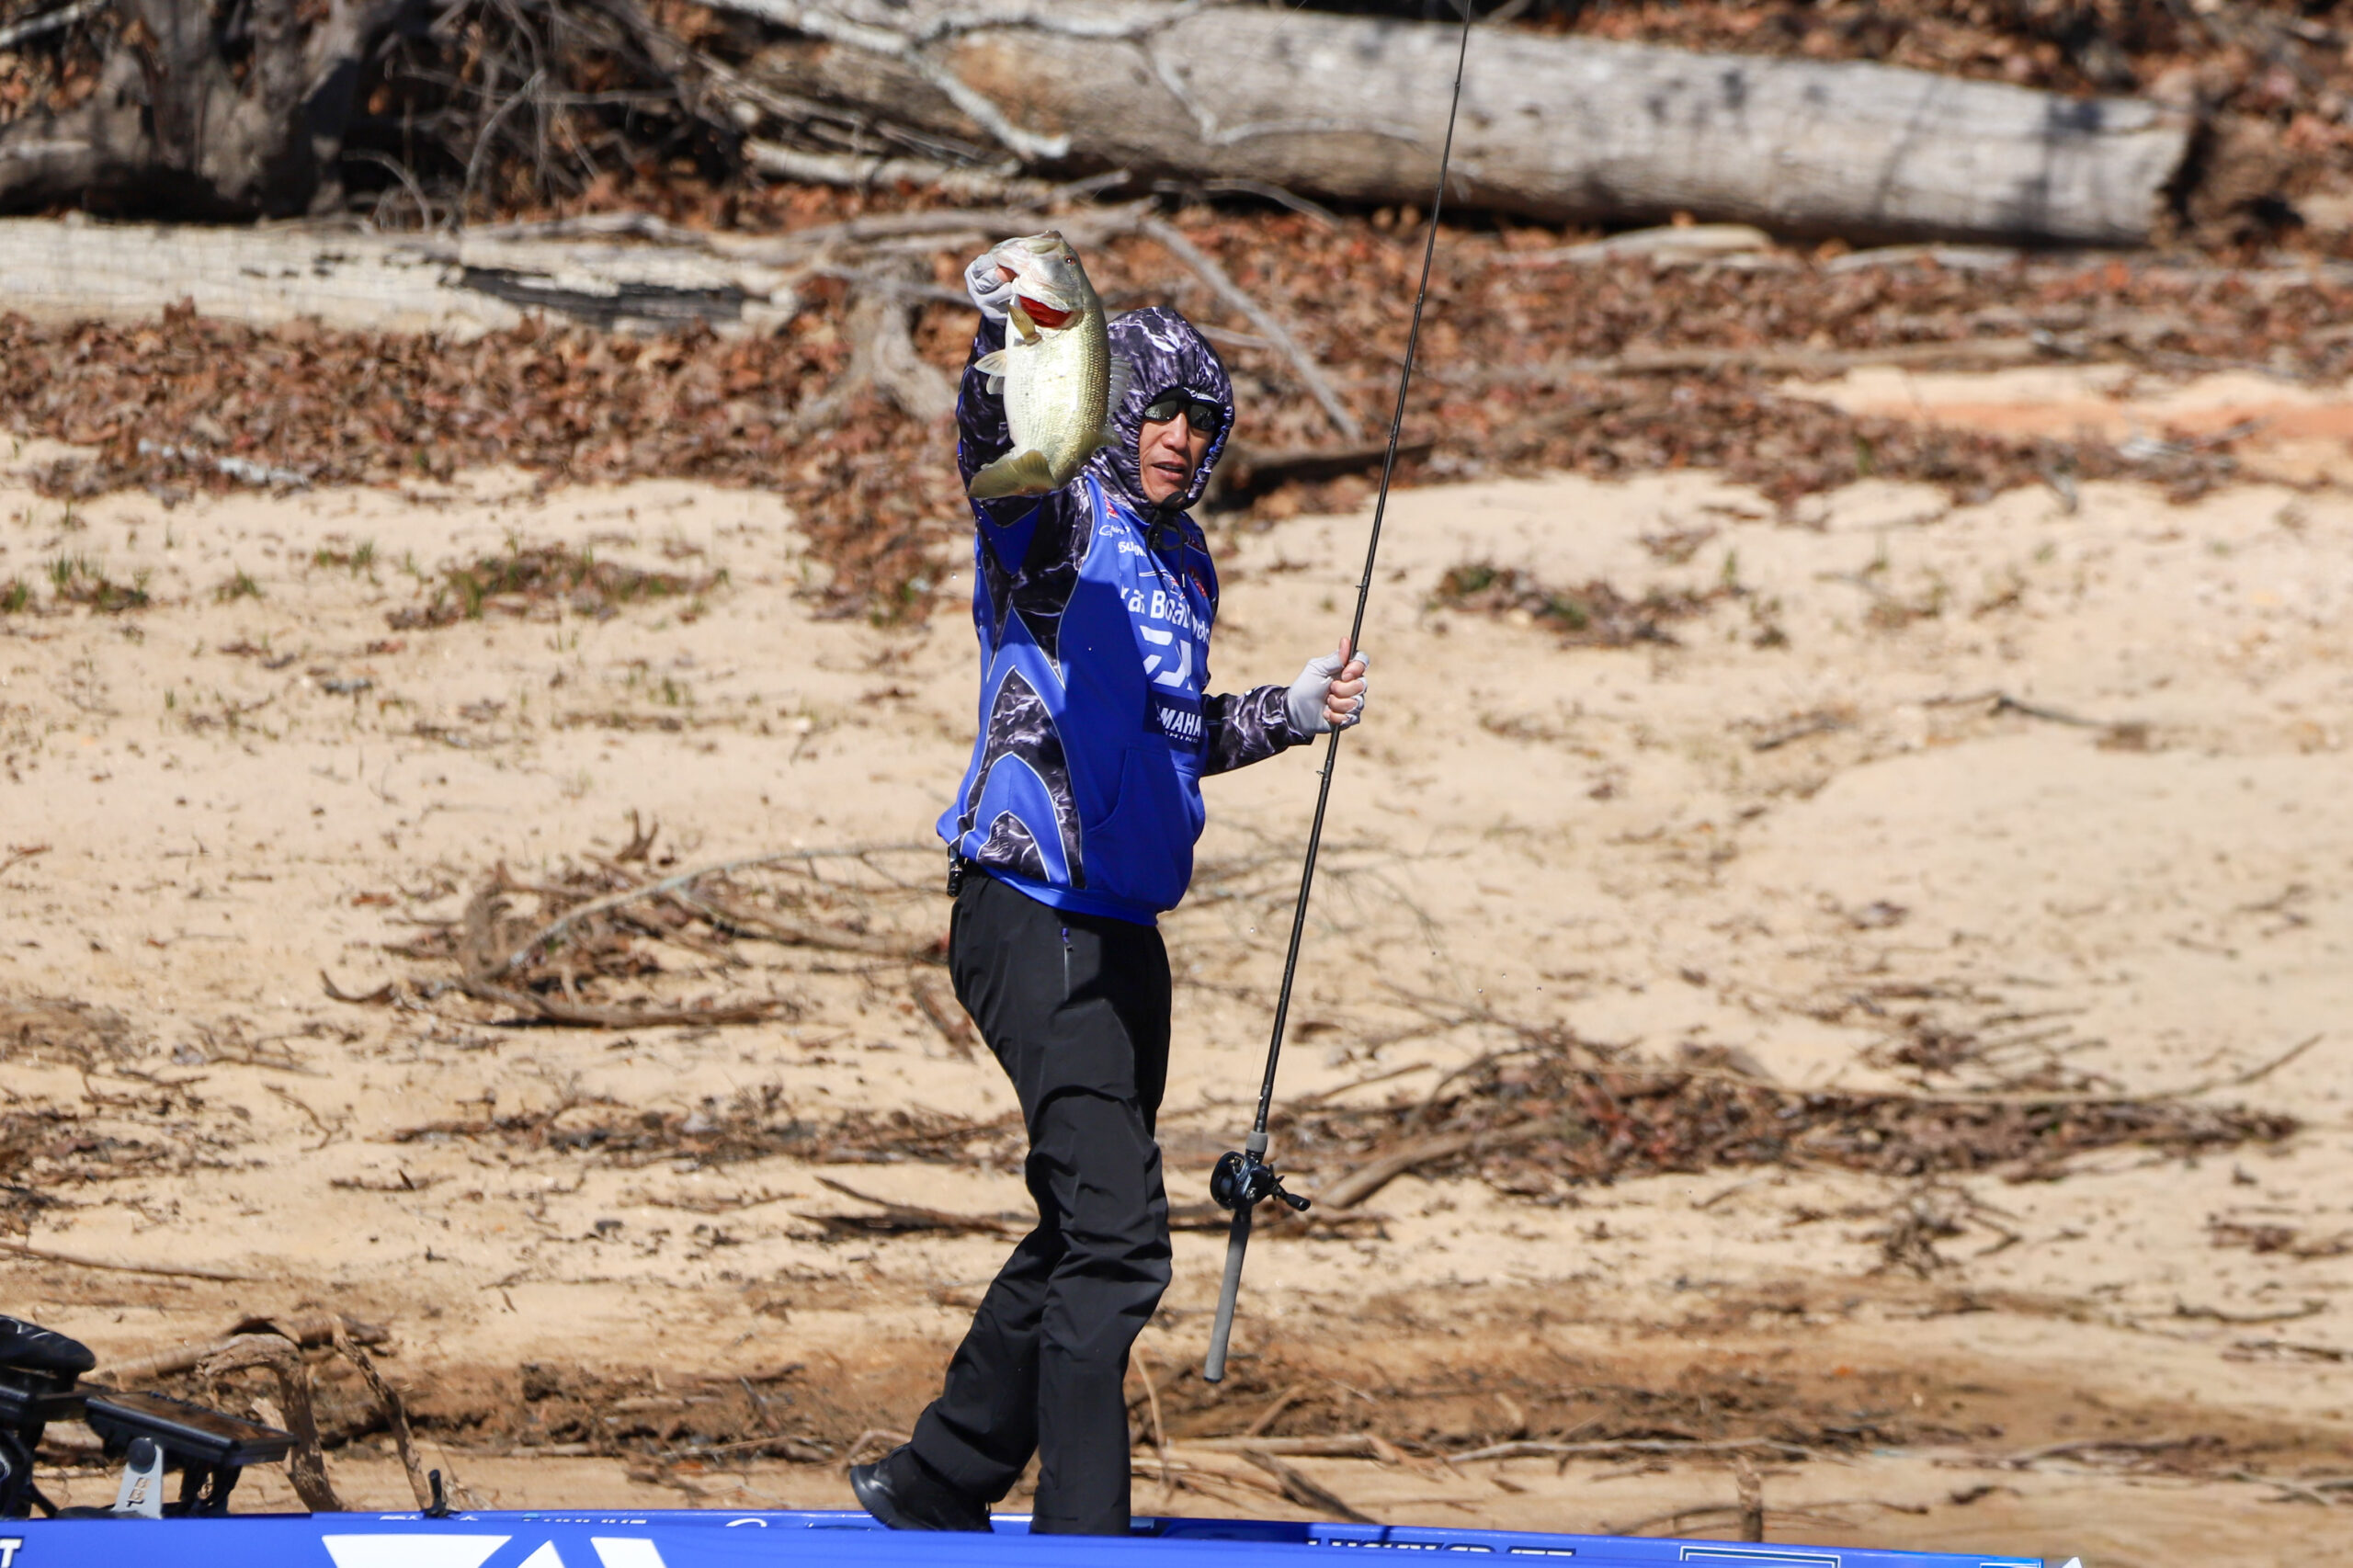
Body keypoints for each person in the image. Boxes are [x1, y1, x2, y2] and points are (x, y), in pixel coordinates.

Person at [848, 243, 1369, 1537]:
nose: (1184, 437)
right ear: (1113, 408)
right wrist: (996, 354)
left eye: (1206, 420)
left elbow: (1178, 727)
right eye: (1163, 412)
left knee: (1080, 1219)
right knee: (1127, 1239)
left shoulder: (1186, 563)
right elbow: (991, 462)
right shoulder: (1060, 518)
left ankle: (940, 1476)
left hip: (1127, 932)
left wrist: (1291, 711)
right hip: (1029, 910)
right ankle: (1087, 1534)